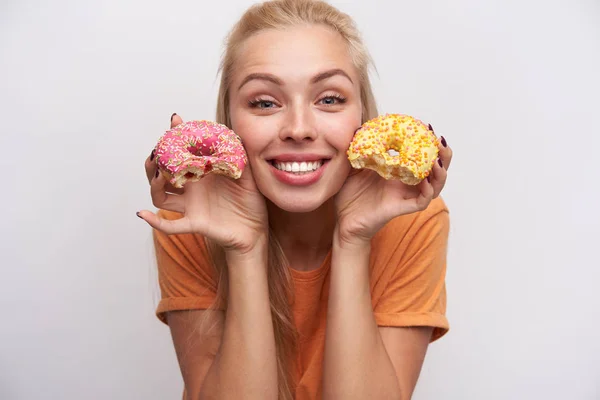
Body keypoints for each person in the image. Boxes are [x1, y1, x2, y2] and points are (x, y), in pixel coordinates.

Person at [137, 0, 453, 398]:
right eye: (265, 103)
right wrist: (245, 248)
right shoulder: (195, 215)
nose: (299, 129)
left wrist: (353, 240)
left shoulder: (411, 218)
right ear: (230, 120)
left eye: (329, 99)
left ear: (362, 116)